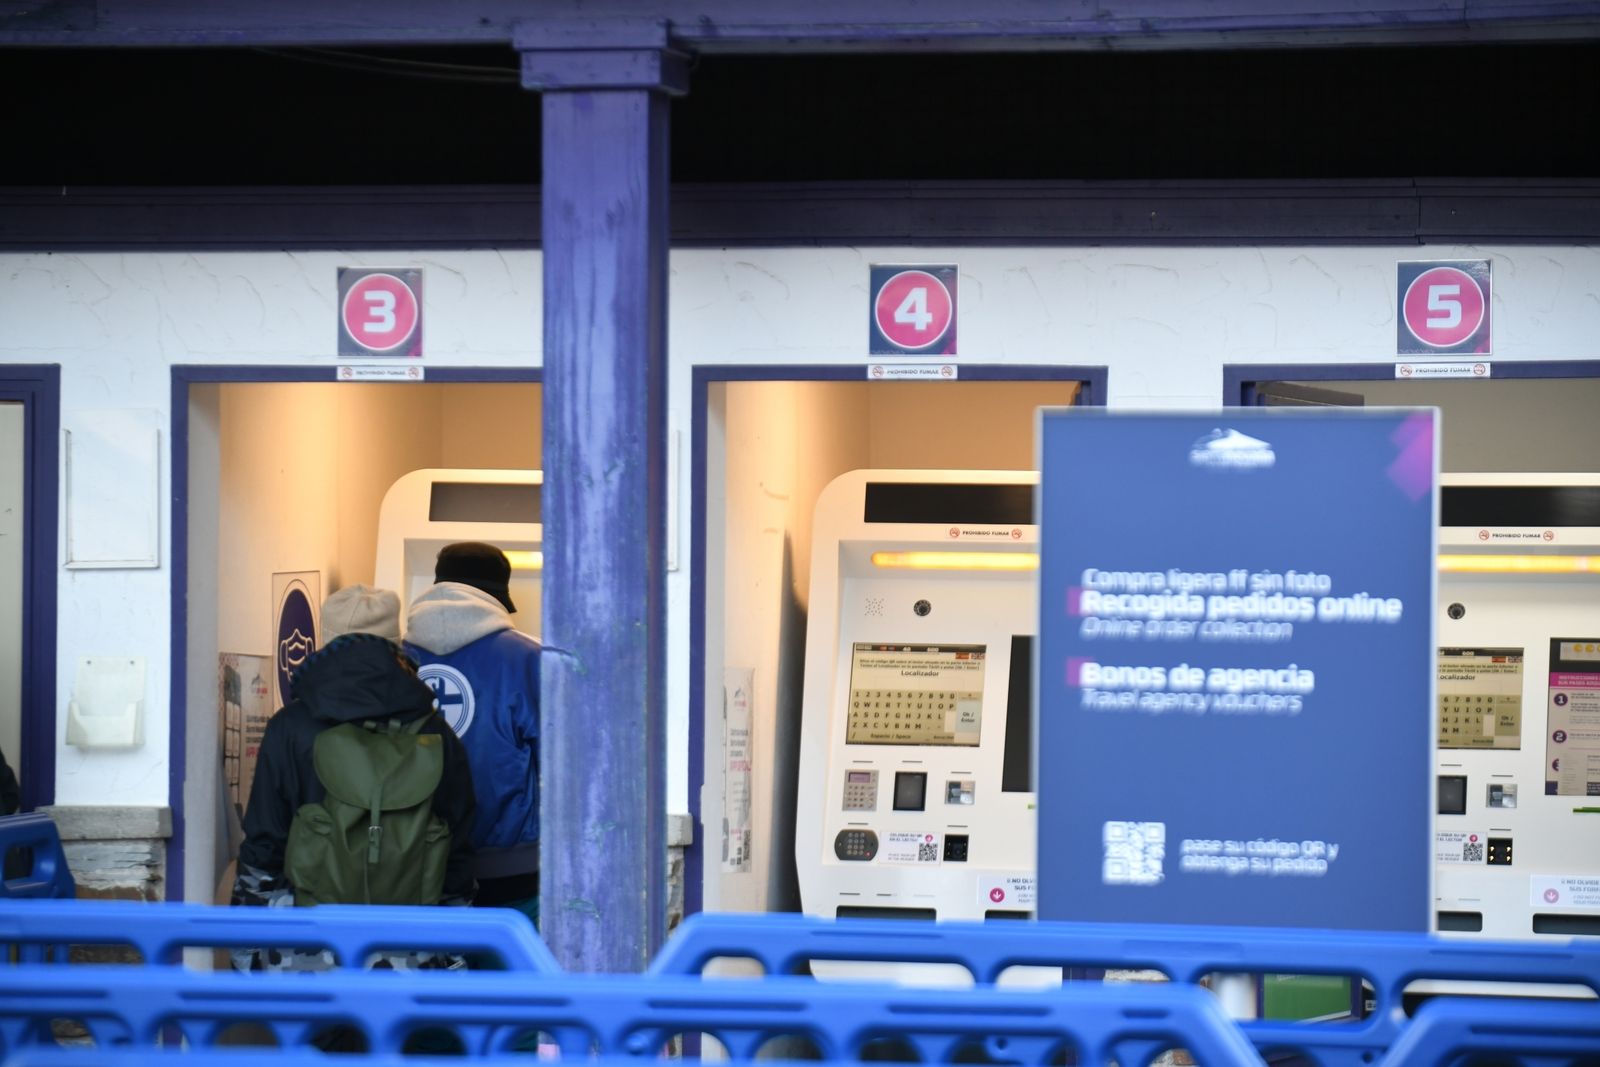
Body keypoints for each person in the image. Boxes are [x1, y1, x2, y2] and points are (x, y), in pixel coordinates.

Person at [231, 584, 476, 933]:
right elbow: (459, 844)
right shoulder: (437, 733)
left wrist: (250, 942)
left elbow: (264, 838)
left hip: (312, 941)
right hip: (408, 940)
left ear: (326, 642)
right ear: (398, 646)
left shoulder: (290, 726)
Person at [403, 542, 541, 924]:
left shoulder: (392, 657)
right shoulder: (530, 658)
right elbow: (563, 768)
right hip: (511, 873)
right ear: (497, 597)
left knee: (436, 982)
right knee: (510, 981)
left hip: (410, 864)